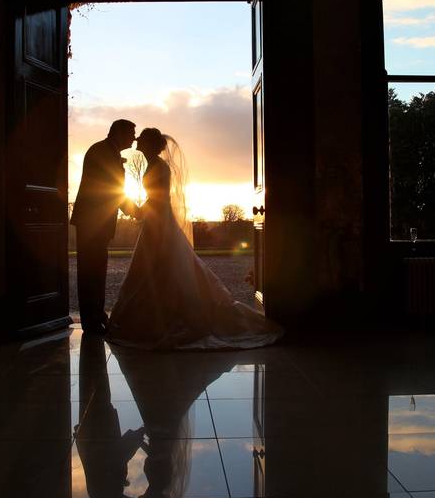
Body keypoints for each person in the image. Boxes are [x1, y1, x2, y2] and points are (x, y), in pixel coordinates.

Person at [107, 128, 283, 349]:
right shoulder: (156, 165)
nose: (136, 140)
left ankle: (166, 320)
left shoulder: (157, 166)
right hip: (157, 221)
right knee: (160, 269)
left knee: (160, 268)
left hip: (159, 223)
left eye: (141, 137)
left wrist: (136, 211)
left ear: (150, 143)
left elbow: (158, 199)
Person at [71, 119, 137, 334]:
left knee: (97, 270)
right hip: (92, 221)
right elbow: (112, 187)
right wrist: (135, 210)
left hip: (97, 221)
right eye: (131, 134)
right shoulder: (102, 152)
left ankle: (96, 316)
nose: (134, 138)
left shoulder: (107, 151)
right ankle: (92, 321)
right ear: (119, 132)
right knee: (91, 271)